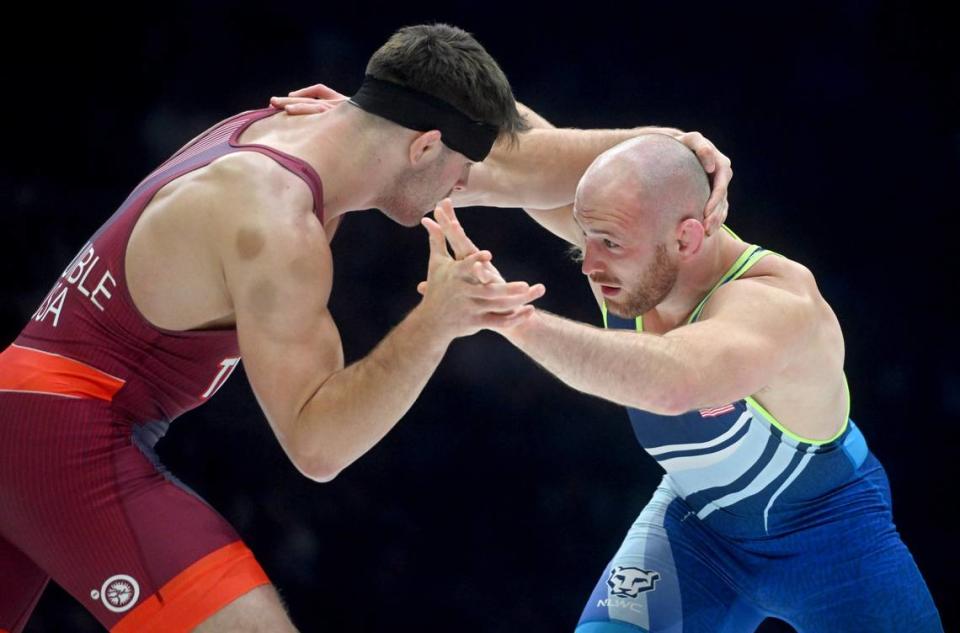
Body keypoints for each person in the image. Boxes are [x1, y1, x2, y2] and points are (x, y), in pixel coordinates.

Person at [0, 24, 731, 633]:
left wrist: (679, 148)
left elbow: (531, 167)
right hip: (65, 434)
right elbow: (317, 445)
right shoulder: (272, 221)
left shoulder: (322, 125)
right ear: (422, 147)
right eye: (456, 174)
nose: (462, 191)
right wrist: (437, 319)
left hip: (33, 410)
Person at [429, 134, 944, 632]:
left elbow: (672, 383)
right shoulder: (633, 245)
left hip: (830, 534)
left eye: (608, 243)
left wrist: (515, 318)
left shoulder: (777, 304)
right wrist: (391, 115)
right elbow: (528, 150)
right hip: (698, 528)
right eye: (584, 236)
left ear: (687, 237)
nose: (588, 263)